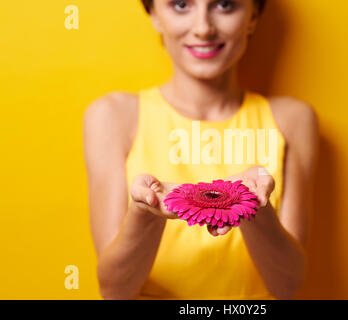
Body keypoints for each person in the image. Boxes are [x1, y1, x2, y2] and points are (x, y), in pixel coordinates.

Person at [82, 0, 319, 300]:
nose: (203, 28)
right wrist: (146, 213)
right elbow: (116, 291)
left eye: (224, 5)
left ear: (253, 17)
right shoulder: (112, 117)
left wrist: (254, 209)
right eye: (181, 5)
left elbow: (287, 286)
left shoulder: (293, 120)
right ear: (154, 15)